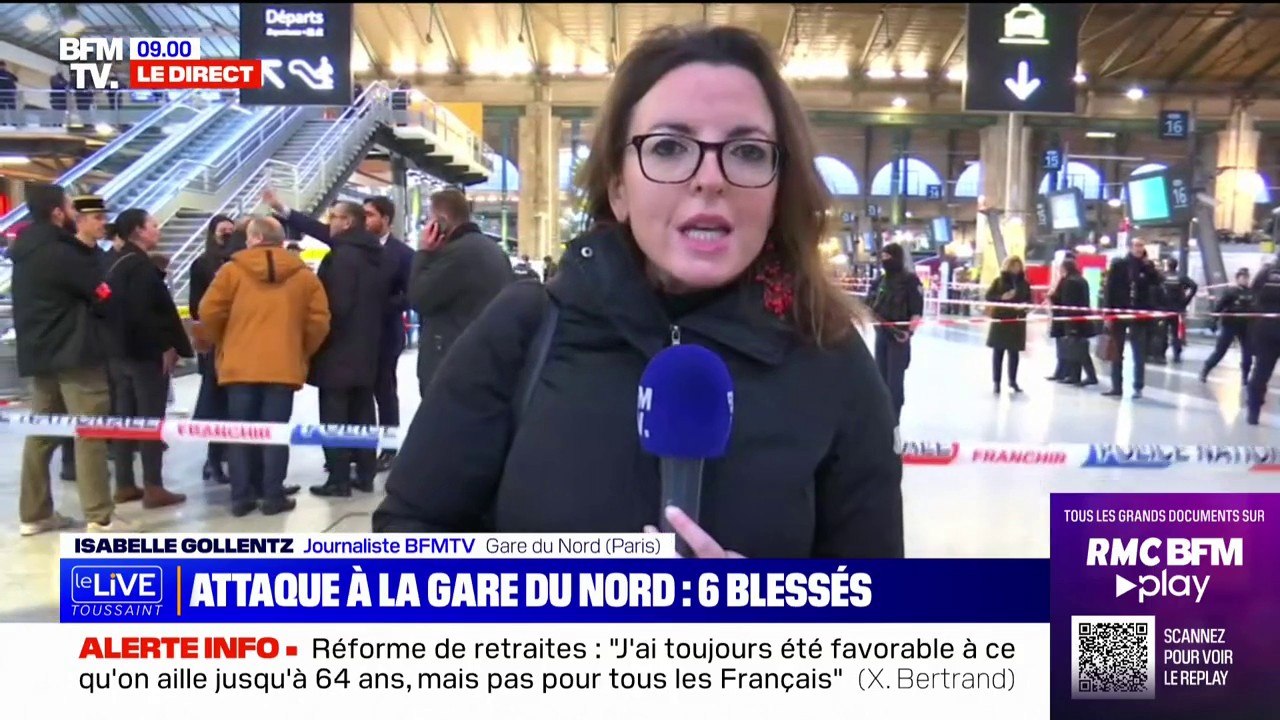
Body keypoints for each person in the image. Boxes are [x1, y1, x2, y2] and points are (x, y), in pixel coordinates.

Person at [373, 24, 905, 559]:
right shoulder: (523, 329)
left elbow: (885, 596)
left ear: (778, 190)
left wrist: (768, 606)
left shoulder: (831, 358)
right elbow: (408, 537)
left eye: (747, 151)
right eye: (669, 146)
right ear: (618, 189)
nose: (711, 178)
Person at [10, 185, 134, 534]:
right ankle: (100, 515)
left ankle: (34, 514)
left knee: (41, 433)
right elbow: (102, 293)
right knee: (91, 432)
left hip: (40, 353)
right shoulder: (63, 252)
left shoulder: (24, 250)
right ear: (57, 213)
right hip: (76, 352)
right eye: (69, 206)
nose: (73, 212)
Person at [264, 192, 414, 474]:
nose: (365, 219)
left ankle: (379, 452)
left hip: (378, 337)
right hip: (362, 338)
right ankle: (359, 459)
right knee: (361, 402)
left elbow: (407, 295)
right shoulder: (354, 246)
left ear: (385, 219)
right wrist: (283, 209)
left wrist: (374, 307)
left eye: (370, 214)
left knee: (380, 394)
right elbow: (317, 229)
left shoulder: (399, 254)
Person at [194, 217, 331, 516]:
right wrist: (300, 349)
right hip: (283, 367)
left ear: (255, 238)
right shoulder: (304, 276)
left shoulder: (231, 271)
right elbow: (319, 321)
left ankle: (241, 497)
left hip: (239, 367)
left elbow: (208, 311)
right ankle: (272, 496)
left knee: (241, 434)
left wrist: (225, 341)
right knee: (275, 435)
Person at [100, 208, 193, 508]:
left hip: (118, 353)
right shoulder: (139, 266)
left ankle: (124, 483)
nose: (158, 229)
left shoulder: (116, 261)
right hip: (144, 355)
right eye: (153, 225)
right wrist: (165, 346)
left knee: (124, 418)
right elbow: (144, 312)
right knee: (150, 418)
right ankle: (154, 486)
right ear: (139, 230)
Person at [304, 201, 388, 497]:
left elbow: (336, 306)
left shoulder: (341, 257)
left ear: (348, 222)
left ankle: (338, 478)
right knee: (363, 411)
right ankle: (365, 473)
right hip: (368, 347)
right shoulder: (376, 254)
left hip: (338, 349)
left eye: (334, 217)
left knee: (334, 415)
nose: (330, 222)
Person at [409, 187, 515, 396]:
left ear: (441, 221)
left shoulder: (456, 255)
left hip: (450, 362)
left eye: (430, 219)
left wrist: (423, 253)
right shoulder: (494, 250)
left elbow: (418, 298)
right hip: (484, 358)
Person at [189, 214, 236, 484]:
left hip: (237, 341)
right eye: (222, 231)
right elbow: (197, 306)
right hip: (215, 343)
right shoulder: (201, 265)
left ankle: (226, 456)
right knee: (215, 402)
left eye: (231, 231)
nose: (227, 235)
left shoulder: (238, 263)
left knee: (231, 404)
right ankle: (214, 458)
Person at [867, 243, 923, 421]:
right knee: (880, 379)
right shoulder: (879, 281)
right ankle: (882, 418)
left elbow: (916, 311)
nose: (884, 261)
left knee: (895, 382)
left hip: (899, 337)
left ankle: (894, 418)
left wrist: (908, 333)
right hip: (881, 334)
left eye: (888, 257)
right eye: (882, 257)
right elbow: (868, 303)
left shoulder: (910, 281)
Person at [1102, 239, 1162, 399]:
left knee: (1139, 352)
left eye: (1142, 246)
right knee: (1117, 351)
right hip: (1120, 312)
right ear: (1131, 247)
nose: (1139, 249)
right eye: (1136, 245)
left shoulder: (1146, 266)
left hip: (1139, 315)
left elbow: (1157, 282)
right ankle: (1116, 386)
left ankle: (1138, 386)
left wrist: (1149, 267)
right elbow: (1109, 289)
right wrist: (1108, 312)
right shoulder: (1119, 264)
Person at [985, 256, 1032, 394]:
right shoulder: (998, 281)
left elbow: (1029, 300)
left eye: (1018, 266)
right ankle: (996, 382)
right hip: (1001, 321)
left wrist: (1025, 307)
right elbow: (988, 296)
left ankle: (1013, 380)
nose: (1016, 269)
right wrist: (1002, 298)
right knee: (998, 353)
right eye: (1013, 266)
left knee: (1014, 353)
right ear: (1007, 266)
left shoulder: (1024, 283)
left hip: (1017, 321)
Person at [1200, 267, 1254, 385]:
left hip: (1245, 326)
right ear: (1238, 278)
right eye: (1243, 277)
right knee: (1220, 351)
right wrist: (1213, 320)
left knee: (1248, 354)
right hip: (1230, 324)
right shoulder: (1231, 292)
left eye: (1247, 277)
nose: (1245, 280)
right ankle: (1206, 370)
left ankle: (1245, 377)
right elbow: (1219, 306)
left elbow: (1255, 308)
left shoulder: (1251, 292)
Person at [1245, 254, 1280, 426]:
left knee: (1260, 372)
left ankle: (1253, 412)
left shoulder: (1265, 272)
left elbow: (1253, 294)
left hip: (1264, 328)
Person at [1052, 258, 1098, 386]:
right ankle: (1075, 376)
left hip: (1073, 320)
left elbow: (1068, 304)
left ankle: (1088, 376)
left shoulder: (1069, 282)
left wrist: (1070, 324)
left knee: (1078, 350)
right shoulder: (1081, 279)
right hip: (1083, 318)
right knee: (1078, 349)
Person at [1159, 257, 1198, 364]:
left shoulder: (1162, 276)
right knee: (1175, 332)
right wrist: (1186, 300)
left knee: (1163, 332)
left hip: (1164, 308)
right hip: (1177, 308)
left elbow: (1156, 288)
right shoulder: (1181, 276)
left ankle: (1161, 354)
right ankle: (1177, 355)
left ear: (1168, 265)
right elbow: (1194, 286)